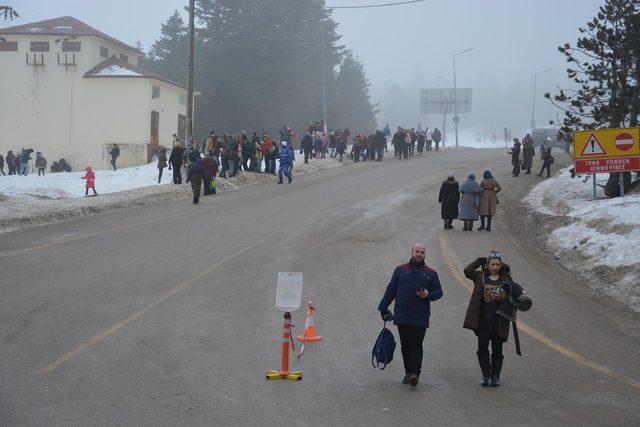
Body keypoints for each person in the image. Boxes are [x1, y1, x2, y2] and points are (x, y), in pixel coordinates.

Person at [378, 243, 443, 388]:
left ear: (425, 255)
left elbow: (439, 292)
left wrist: (428, 295)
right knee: (405, 345)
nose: (419, 254)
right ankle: (408, 373)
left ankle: (415, 374)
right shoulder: (401, 270)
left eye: (422, 252)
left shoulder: (431, 273)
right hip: (402, 315)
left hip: (420, 316)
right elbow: (391, 290)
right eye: (417, 251)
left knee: (416, 344)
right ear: (412, 253)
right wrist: (383, 308)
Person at [463, 250, 532, 387]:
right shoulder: (480, 276)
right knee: (482, 347)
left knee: (497, 349)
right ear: (488, 265)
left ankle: (495, 376)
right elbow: (467, 270)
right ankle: (486, 375)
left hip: (499, 320)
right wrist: (480, 260)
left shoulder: (506, 279)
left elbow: (517, 293)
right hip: (482, 319)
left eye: (497, 264)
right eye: (492, 264)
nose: (495, 267)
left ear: (501, 265)